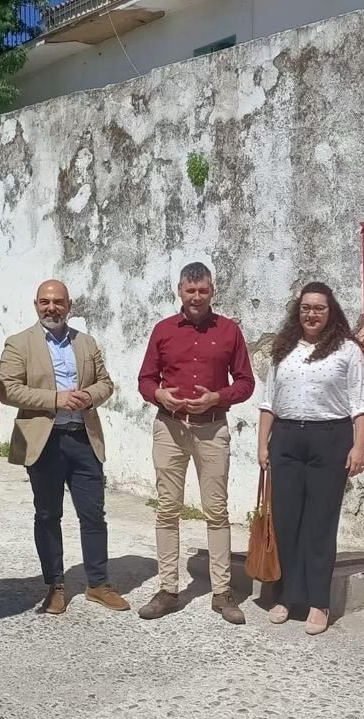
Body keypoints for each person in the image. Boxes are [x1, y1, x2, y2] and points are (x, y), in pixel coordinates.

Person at [0, 279, 128, 615]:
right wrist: (55, 399)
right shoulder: (19, 343)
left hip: (83, 438)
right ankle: (55, 585)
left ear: (69, 306)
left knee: (93, 516)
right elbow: (7, 390)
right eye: (45, 302)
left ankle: (98, 583)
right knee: (47, 514)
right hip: (45, 441)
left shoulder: (85, 343)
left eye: (58, 302)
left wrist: (89, 396)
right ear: (36, 304)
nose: (51, 308)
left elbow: (106, 383)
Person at [136, 262, 255, 624]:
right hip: (169, 428)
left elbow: (246, 382)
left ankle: (221, 592)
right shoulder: (163, 330)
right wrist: (159, 395)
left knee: (216, 511)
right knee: (167, 509)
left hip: (212, 428)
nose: (197, 297)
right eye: (191, 291)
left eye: (203, 290)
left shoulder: (230, 331)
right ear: (180, 291)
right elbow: (144, 379)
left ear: (212, 291)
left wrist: (217, 397)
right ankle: (168, 589)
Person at [256, 281, 364, 636]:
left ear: (330, 310)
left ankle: (319, 603)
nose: (312, 313)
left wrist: (359, 446)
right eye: (306, 307)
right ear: (298, 310)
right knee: (287, 521)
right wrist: (263, 445)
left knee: (320, 525)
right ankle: (286, 596)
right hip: (287, 439)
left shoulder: (348, 351)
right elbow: (269, 401)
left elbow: (361, 403)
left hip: (330, 440)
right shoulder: (284, 349)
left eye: (319, 307)